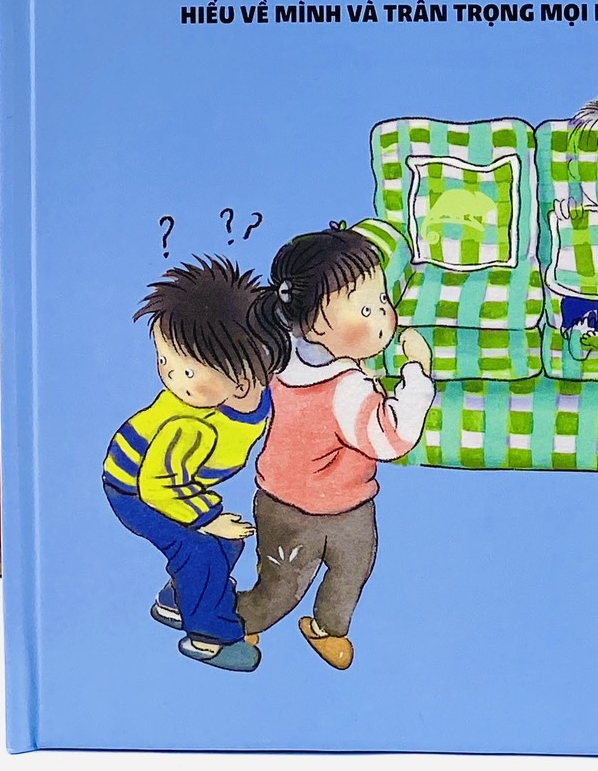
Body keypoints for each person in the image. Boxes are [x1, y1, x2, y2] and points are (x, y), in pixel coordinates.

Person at [235, 226, 432, 670]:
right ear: (316, 324)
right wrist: (417, 374)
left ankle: (325, 628)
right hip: (303, 510)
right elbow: (392, 437)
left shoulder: (285, 354)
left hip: (322, 503)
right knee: (289, 587)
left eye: (382, 301)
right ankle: (236, 620)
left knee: (345, 568)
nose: (385, 315)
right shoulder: (347, 388)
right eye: (366, 308)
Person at [103, 257, 287, 672]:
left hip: (173, 481)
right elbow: (158, 487)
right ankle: (209, 637)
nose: (170, 378)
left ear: (245, 377)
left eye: (186, 370)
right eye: (164, 362)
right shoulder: (191, 424)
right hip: (134, 488)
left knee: (227, 544)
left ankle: (179, 599)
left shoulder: (259, 392)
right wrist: (208, 519)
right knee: (202, 550)